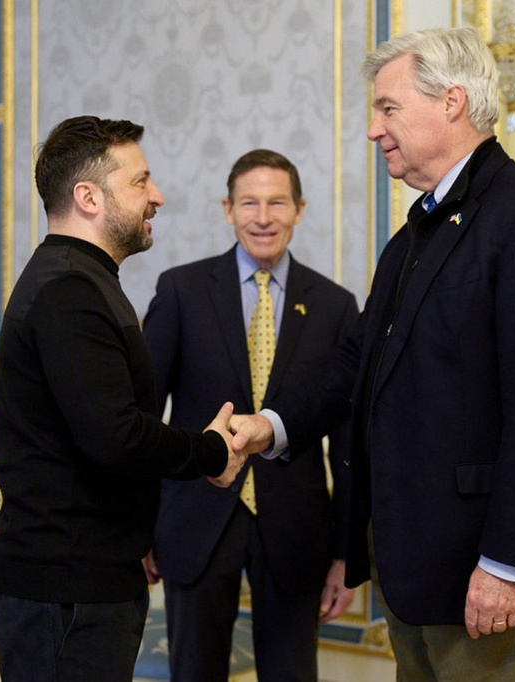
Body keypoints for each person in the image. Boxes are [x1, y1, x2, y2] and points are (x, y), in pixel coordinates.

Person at [230, 28, 515, 681]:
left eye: (388, 108)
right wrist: (271, 425)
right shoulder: (412, 237)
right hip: (412, 570)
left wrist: (506, 564)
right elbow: (355, 363)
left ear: (452, 102)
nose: (374, 129)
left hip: (483, 573)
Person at [0, 115, 246, 682]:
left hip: (82, 576)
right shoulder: (70, 290)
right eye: (139, 181)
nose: (157, 196)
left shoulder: (81, 279)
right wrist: (210, 451)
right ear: (88, 198)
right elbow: (115, 435)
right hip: (66, 584)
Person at [140, 149, 359, 682]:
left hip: (298, 529)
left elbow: (350, 442)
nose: (263, 218)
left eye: (277, 203)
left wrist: (347, 556)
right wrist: (139, 527)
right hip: (194, 520)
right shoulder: (181, 291)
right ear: (228, 209)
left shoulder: (335, 306)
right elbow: (143, 416)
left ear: (300, 209)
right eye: (249, 203)